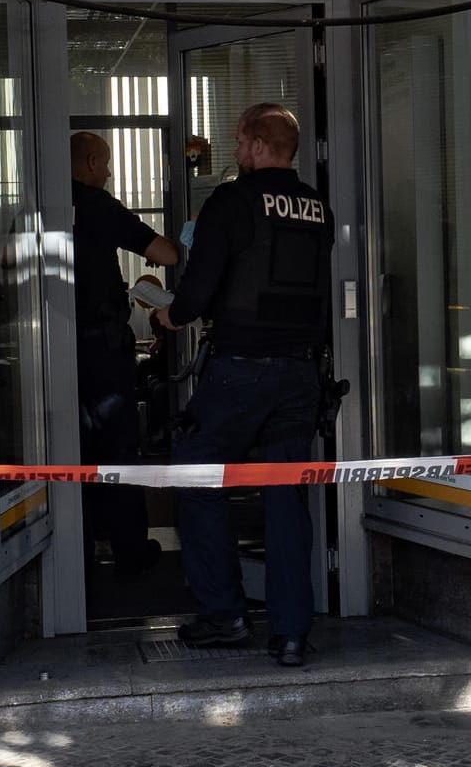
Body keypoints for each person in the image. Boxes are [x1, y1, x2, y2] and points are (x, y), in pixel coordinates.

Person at [157, 103, 333, 667]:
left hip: (240, 369)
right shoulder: (317, 208)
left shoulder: (232, 201)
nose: (235, 154)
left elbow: (198, 291)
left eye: (238, 143)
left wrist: (172, 315)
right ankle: (290, 634)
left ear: (258, 144)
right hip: (302, 373)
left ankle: (225, 615)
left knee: (196, 473)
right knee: (286, 494)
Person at [71, 131, 179, 576]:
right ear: (93, 161)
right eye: (109, 163)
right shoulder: (99, 206)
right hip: (103, 348)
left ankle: (78, 552)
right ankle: (131, 550)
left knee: (69, 453)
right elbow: (167, 253)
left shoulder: (39, 209)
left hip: (53, 353)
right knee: (117, 449)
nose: (111, 172)